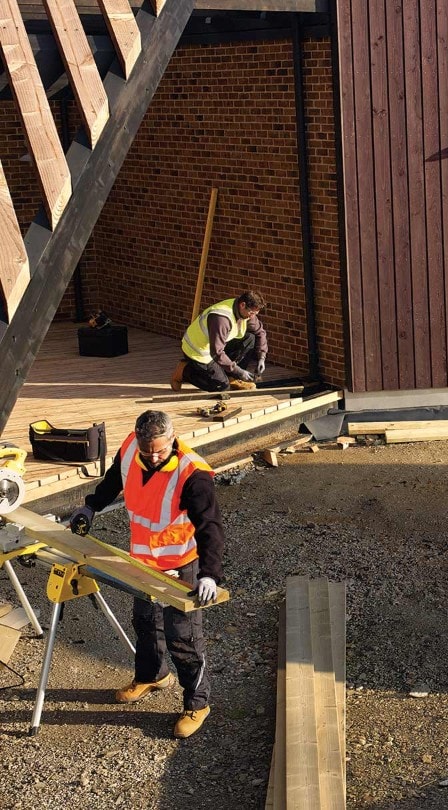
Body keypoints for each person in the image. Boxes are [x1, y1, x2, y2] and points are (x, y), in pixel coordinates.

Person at [69, 410, 226, 739]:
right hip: (143, 562)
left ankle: (198, 703)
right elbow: (115, 478)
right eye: (147, 450)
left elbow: (210, 527)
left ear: (172, 438)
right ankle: (152, 675)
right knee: (144, 621)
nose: (153, 457)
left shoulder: (192, 474)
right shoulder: (130, 449)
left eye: (160, 450)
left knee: (181, 636)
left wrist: (210, 574)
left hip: (182, 563)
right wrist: (91, 506)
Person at [170, 291, 269, 392]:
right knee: (222, 387)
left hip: (218, 345)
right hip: (198, 352)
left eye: (255, 313)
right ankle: (183, 371)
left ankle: (232, 378)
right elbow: (216, 353)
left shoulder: (246, 313)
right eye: (252, 313)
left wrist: (262, 357)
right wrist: (239, 371)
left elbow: (260, 332)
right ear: (242, 305)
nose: (252, 316)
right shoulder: (221, 319)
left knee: (249, 338)